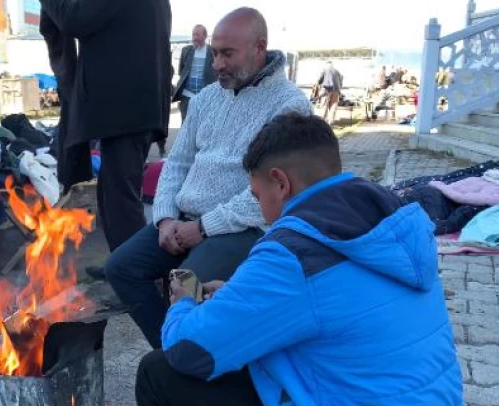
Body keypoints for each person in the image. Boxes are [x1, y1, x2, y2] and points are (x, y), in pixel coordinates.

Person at [135, 113, 467, 406]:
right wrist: (235, 302)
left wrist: (183, 304)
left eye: (256, 195)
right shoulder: (392, 223)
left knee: (158, 374)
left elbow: (188, 350)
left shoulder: (294, 254)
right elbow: (328, 306)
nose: (261, 209)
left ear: (281, 183)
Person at [105, 7, 311, 349]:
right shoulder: (206, 99)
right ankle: (172, 352)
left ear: (259, 48)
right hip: (185, 221)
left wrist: (203, 228)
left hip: (243, 228)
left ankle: (199, 354)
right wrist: (166, 219)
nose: (216, 65)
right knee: (120, 268)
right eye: (215, 53)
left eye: (227, 54)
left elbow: (269, 192)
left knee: (187, 285)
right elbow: (177, 163)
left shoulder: (289, 105)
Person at [39, 0, 172, 270]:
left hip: (125, 112)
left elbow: (75, 19)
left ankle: (135, 274)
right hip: (135, 109)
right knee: (114, 195)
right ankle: (122, 263)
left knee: (120, 200)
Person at [172, 25, 217, 122]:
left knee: (203, 126)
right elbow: (181, 71)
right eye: (193, 34)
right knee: (185, 128)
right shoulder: (186, 50)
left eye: (197, 34)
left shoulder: (213, 51)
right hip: (187, 97)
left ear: (205, 36)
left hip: (205, 98)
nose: (194, 38)